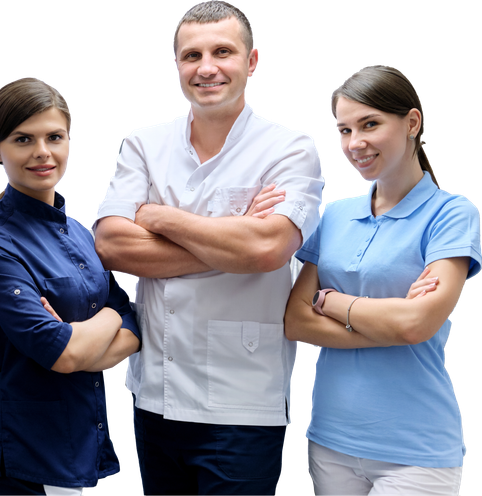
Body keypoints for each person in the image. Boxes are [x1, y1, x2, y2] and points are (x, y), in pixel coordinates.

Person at [93, 1, 324, 494]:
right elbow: (111, 243)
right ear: (176, 64)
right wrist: (234, 237)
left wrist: (157, 218)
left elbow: (267, 250)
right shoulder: (144, 144)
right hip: (156, 393)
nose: (207, 67)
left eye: (223, 52)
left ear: (252, 61)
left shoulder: (290, 147)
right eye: (191, 55)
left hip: (242, 400)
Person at [284, 64, 482, 495]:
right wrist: (391, 320)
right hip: (331, 439)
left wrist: (332, 303)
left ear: (412, 123)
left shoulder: (451, 214)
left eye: (370, 124)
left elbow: (416, 325)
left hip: (416, 448)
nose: (355, 143)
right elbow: (295, 321)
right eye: (345, 130)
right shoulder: (334, 214)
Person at [0, 77, 141, 496]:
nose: (43, 152)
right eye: (23, 139)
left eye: (54, 137)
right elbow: (62, 352)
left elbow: (134, 325)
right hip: (33, 450)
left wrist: (94, 333)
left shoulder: (79, 231)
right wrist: (106, 322)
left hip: (83, 439)